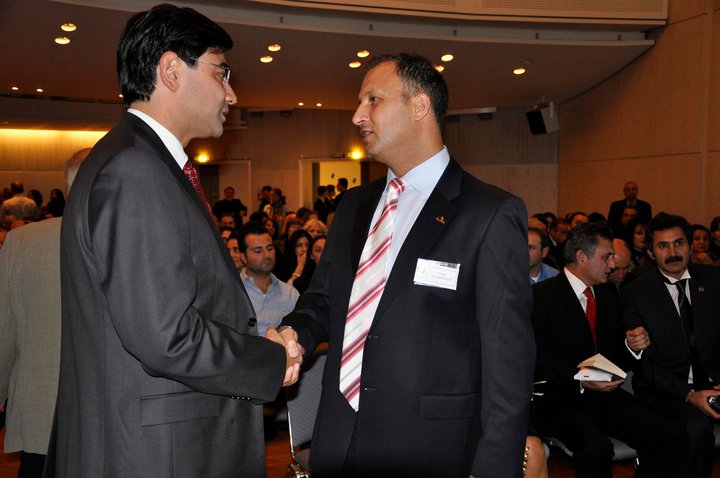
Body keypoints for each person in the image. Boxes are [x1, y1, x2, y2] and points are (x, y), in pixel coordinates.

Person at [46, 5, 297, 477]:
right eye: (221, 72)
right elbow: (166, 336)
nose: (231, 92)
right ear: (171, 70)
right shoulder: (137, 170)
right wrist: (269, 358)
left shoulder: (134, 159)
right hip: (161, 455)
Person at [273, 53, 534, 477]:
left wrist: (494, 468)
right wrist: (295, 333)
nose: (358, 115)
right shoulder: (354, 205)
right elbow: (323, 299)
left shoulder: (488, 213)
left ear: (419, 106)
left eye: (373, 100)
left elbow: (509, 363)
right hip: (338, 437)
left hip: (431, 447)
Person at [530, 222, 686, 478]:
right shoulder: (541, 296)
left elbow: (614, 356)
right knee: (597, 448)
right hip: (558, 399)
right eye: (607, 257)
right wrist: (580, 378)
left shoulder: (606, 296)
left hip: (603, 396)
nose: (613, 264)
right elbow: (537, 358)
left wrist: (632, 346)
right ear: (582, 256)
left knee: (670, 434)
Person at [0, 148, 89, 478]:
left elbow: (4, 330)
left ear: (66, 190)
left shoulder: (21, 242)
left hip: (41, 408)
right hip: (117, 417)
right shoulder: (139, 239)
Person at [622, 213, 720, 478]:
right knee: (696, 429)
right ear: (650, 252)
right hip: (668, 391)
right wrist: (689, 395)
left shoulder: (715, 281)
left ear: (690, 245)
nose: (673, 253)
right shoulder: (636, 293)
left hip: (715, 383)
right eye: (663, 246)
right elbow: (645, 366)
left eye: (679, 243)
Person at [238, 222, 299, 337]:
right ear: (243, 257)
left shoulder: (290, 294)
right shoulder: (232, 291)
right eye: (258, 251)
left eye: (270, 248)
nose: (266, 255)